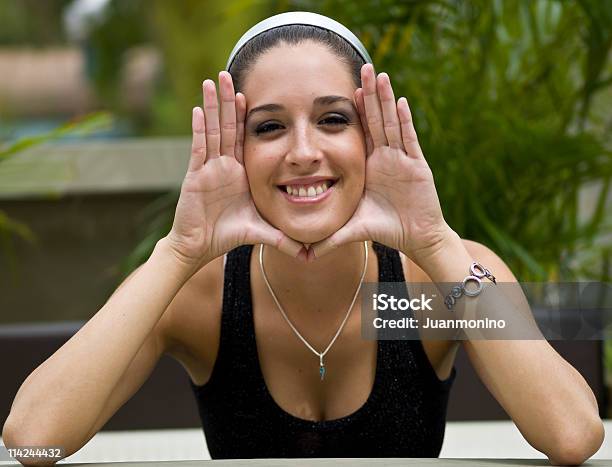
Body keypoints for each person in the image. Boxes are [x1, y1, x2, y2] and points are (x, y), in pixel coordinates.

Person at [2, 11, 604, 465]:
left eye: (333, 119)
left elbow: (573, 436)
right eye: (269, 127)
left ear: (371, 136)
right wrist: (179, 251)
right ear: (235, 149)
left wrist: (432, 239)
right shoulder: (201, 295)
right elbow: (34, 440)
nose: (304, 152)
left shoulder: (427, 289)